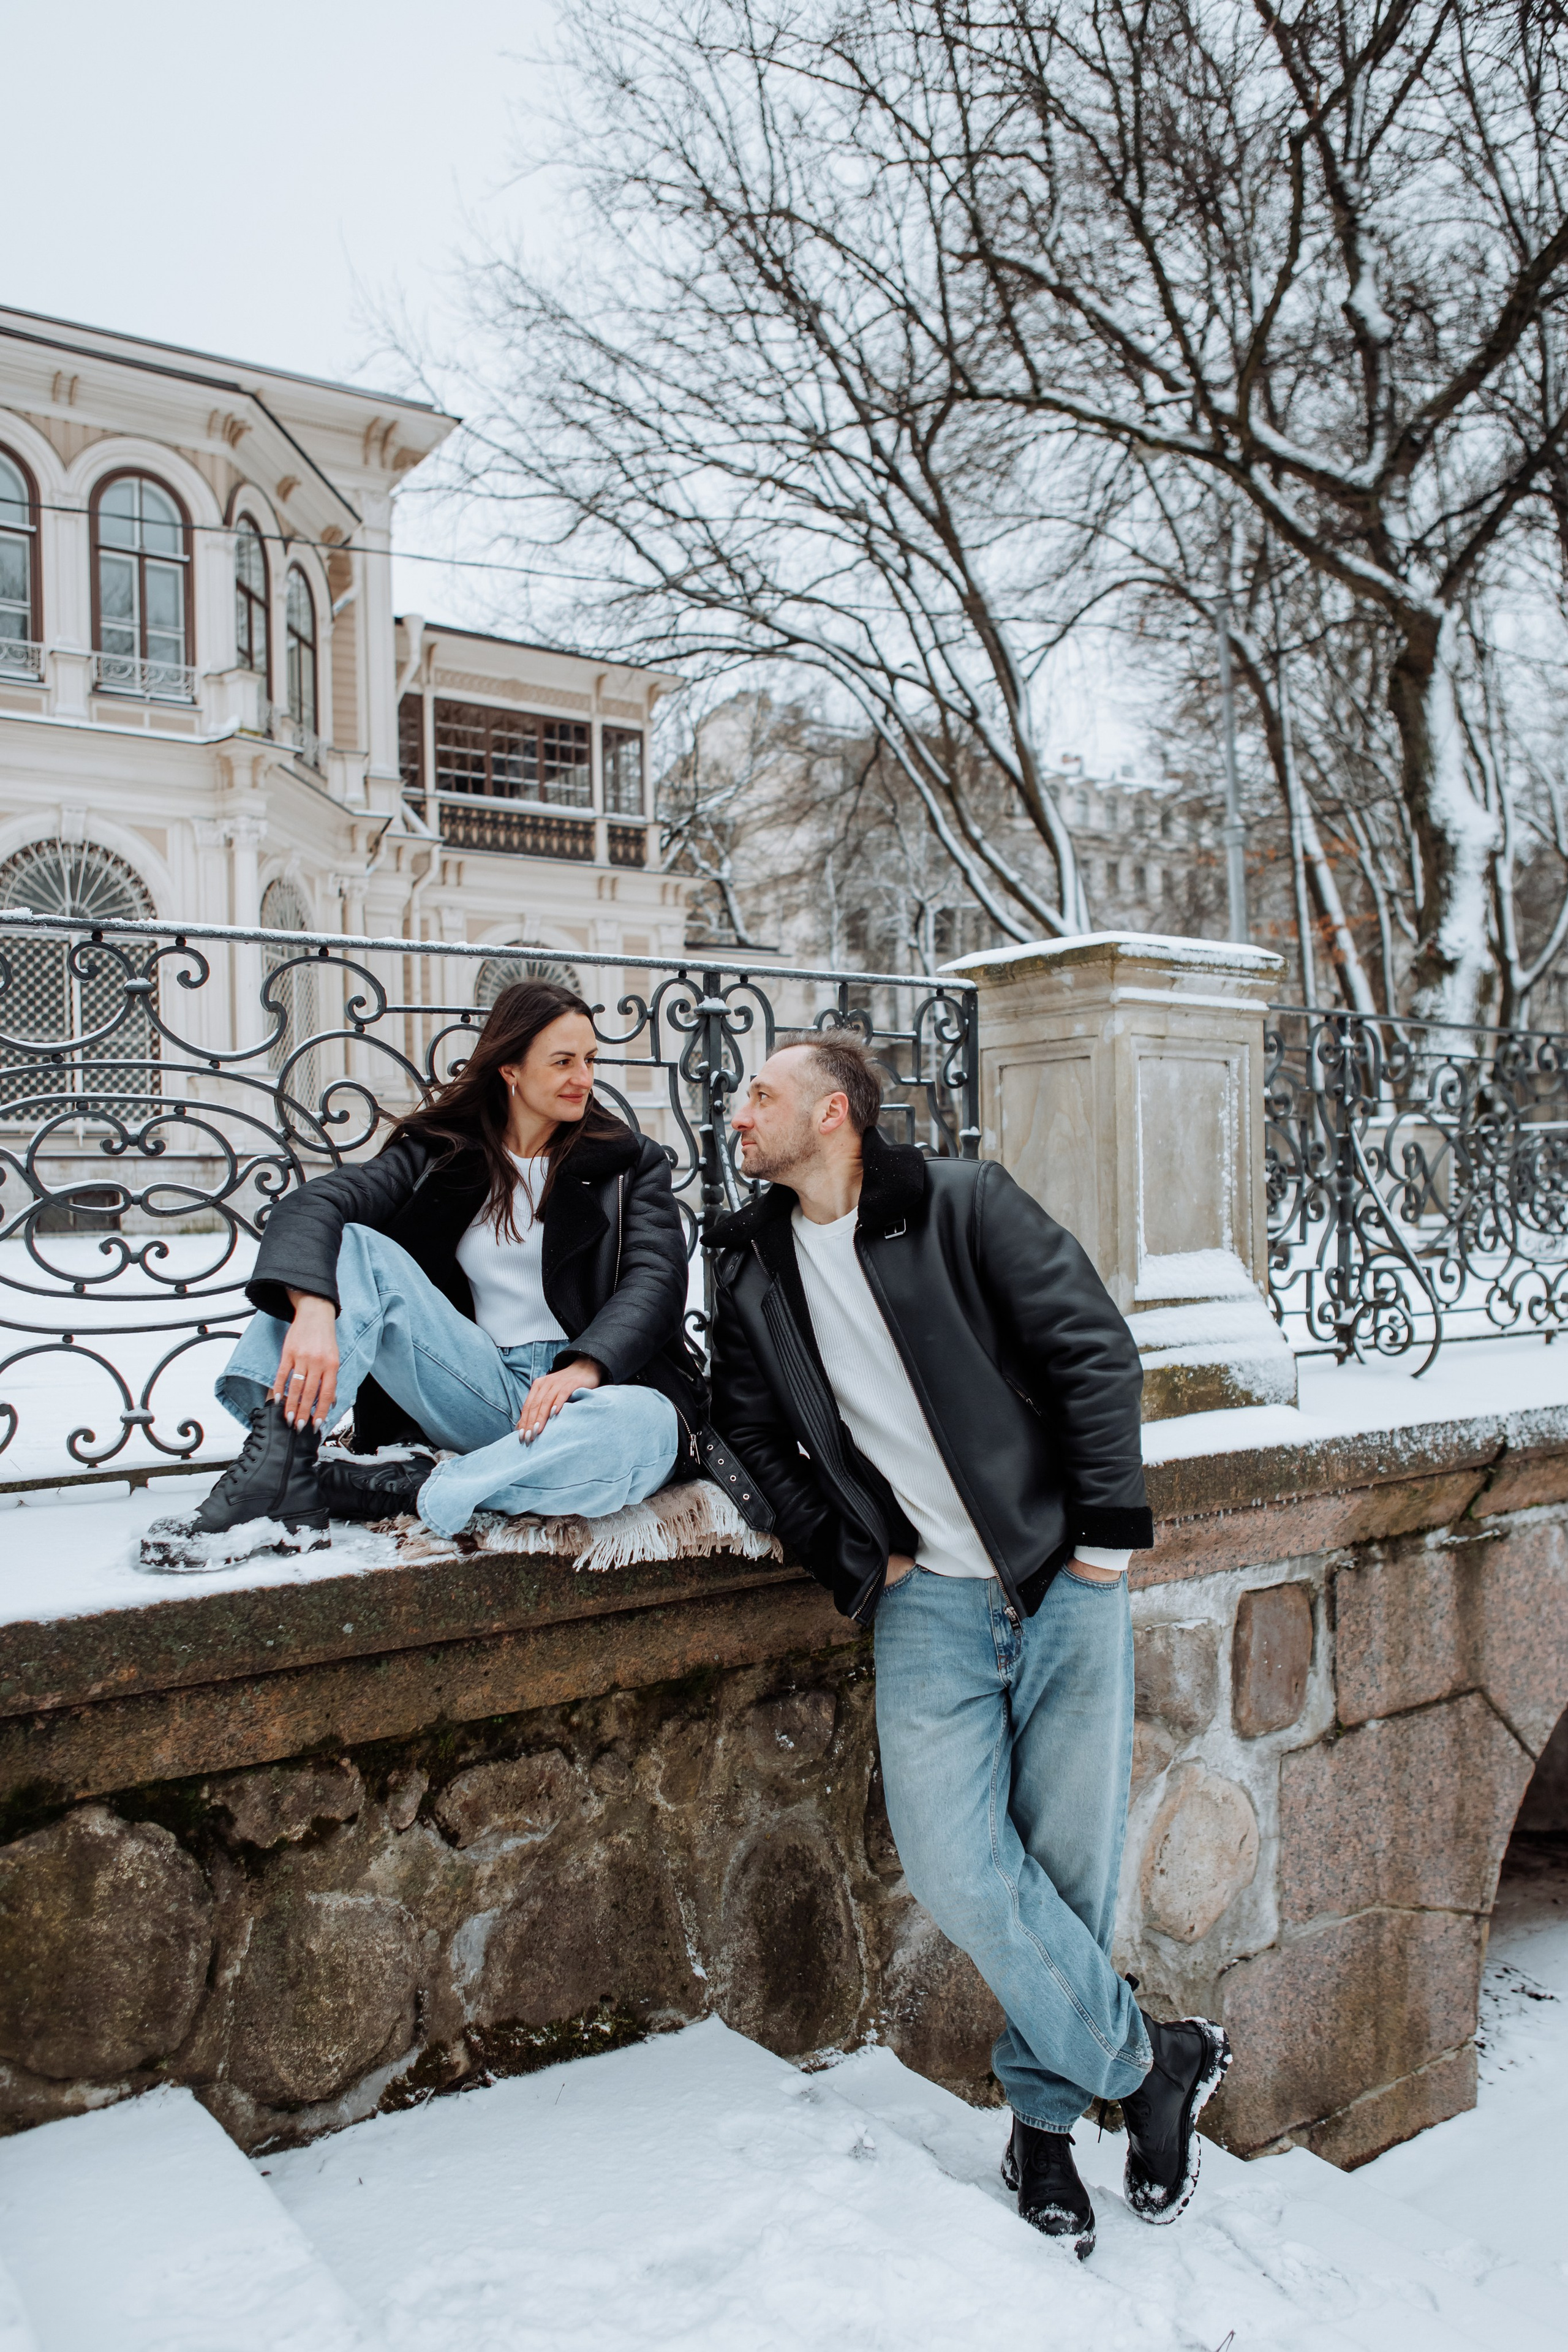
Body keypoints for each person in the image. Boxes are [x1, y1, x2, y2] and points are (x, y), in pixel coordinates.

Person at [708, 1031, 1230, 2258]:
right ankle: (1153, 2061)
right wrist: (850, 1557)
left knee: (1063, 1872)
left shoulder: (959, 1206)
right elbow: (746, 1438)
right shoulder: (744, 1265)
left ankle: (1041, 2130)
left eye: (762, 1095)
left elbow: (1091, 1349)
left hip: (1057, 1578)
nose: (738, 1114)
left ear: (832, 1113)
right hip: (927, 1603)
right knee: (956, 1867)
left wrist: (1103, 1536)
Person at [149, 980, 704, 1564]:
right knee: (354, 1246)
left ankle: (393, 1488)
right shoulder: (440, 1151)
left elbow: (656, 1278)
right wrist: (314, 1307)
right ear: (510, 1070)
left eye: (590, 1060)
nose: (584, 1079)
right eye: (562, 1061)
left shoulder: (627, 1161)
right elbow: (316, 1206)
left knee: (642, 1429)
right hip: (475, 1382)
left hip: (594, 1395)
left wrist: (588, 1364)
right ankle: (277, 1467)